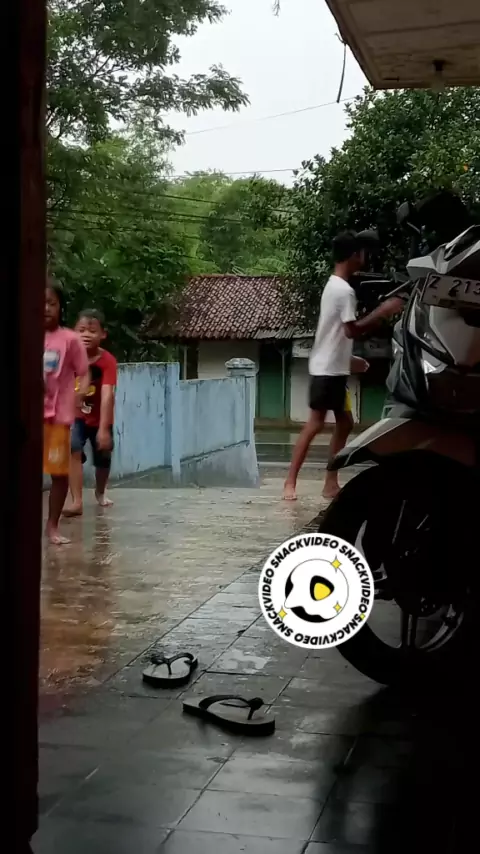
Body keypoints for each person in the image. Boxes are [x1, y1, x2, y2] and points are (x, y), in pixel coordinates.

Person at [283, 231, 404, 501]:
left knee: (345, 422)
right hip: (327, 371)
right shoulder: (344, 291)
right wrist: (383, 311)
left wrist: (349, 361)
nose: (365, 257)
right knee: (315, 424)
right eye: (362, 252)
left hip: (333, 368)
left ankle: (330, 482)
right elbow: (352, 330)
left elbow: (334, 333)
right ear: (354, 255)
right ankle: (290, 482)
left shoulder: (334, 286)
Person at [44, 280, 89, 544]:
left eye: (51, 303)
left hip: (58, 419)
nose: (46, 309)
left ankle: (52, 526)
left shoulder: (70, 340)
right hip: (28, 418)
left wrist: (78, 395)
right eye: (41, 304)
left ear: (60, 307)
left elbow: (84, 373)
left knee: (59, 474)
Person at [64, 309, 117, 516]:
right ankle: (76, 501)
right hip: (76, 416)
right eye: (81, 330)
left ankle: (100, 492)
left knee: (103, 459)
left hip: (100, 417)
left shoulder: (107, 361)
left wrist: (103, 429)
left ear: (103, 334)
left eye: (92, 331)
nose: (86, 335)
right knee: (73, 448)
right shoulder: (68, 357)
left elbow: (107, 395)